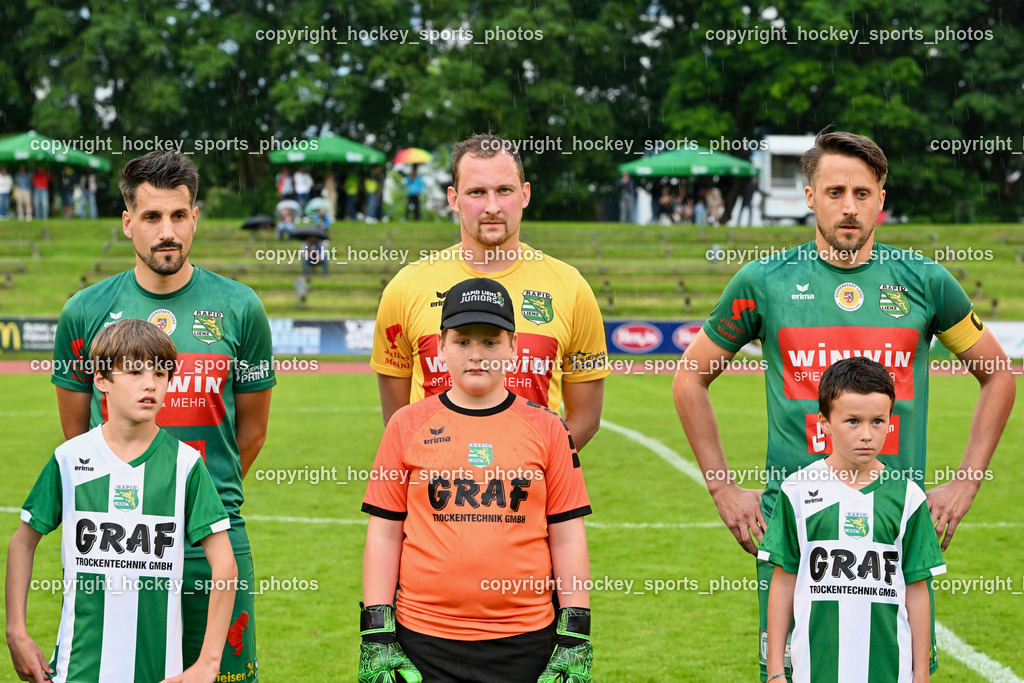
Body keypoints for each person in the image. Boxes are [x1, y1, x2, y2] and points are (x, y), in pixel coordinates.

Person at [672, 130, 1015, 681]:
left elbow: (997, 374)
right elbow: (690, 375)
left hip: (895, 524)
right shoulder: (764, 281)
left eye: (862, 192)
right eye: (834, 191)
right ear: (809, 197)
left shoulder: (925, 281)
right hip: (795, 528)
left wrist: (967, 479)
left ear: (883, 197)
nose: (849, 207)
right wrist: (721, 485)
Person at [51, 150, 276, 682]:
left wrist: (189, 499)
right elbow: (77, 432)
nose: (167, 231)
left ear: (196, 216)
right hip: (115, 537)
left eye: (179, 215)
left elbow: (254, 429)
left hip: (210, 537)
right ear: (128, 222)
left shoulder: (240, 307)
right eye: (152, 217)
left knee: (217, 675)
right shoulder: (84, 310)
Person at [360, 277, 593, 683]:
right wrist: (376, 632)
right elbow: (384, 532)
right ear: (441, 345)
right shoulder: (405, 425)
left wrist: (575, 636)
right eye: (463, 341)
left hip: (525, 641)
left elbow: (568, 535)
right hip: (422, 640)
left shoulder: (549, 430)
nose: (477, 355)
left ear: (513, 347)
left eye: (490, 342)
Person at [7, 318, 237, 683]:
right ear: (101, 380)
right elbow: (22, 542)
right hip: (78, 671)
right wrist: (16, 632)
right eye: (134, 372)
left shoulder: (186, 465)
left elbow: (225, 567)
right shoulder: (69, 459)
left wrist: (209, 662)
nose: (150, 383)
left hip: (159, 672)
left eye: (161, 374)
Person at [371, 133, 609, 450]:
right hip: (437, 496)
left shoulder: (571, 287)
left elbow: (585, 418)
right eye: (477, 192)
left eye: (504, 190)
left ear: (525, 195)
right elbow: (399, 420)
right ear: (454, 199)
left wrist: (526, 470)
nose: (492, 206)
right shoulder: (405, 288)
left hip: (531, 495)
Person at [761, 356, 945, 682]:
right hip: (815, 669)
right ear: (824, 423)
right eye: (853, 421)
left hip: (890, 670)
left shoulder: (909, 497)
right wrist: (776, 668)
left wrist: (921, 674)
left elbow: (917, 589)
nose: (866, 435)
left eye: (878, 421)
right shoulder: (798, 490)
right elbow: (784, 580)